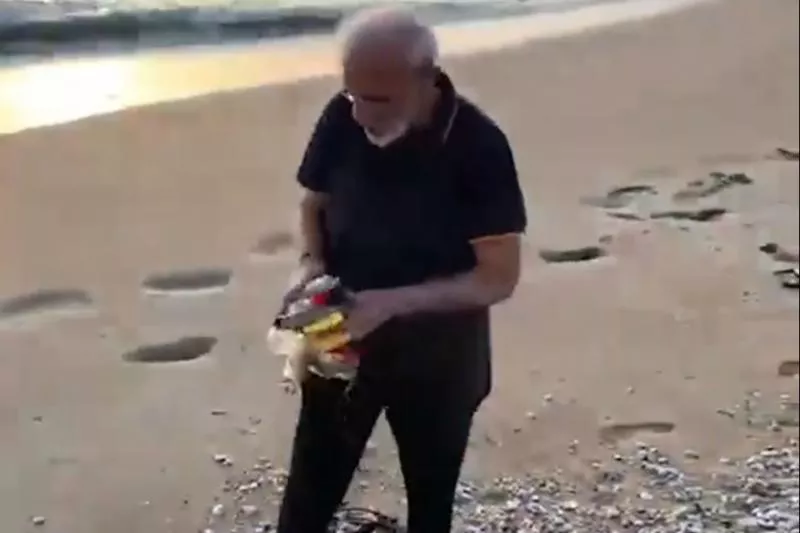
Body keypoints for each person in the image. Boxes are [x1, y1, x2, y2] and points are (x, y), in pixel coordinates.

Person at [276, 6, 527, 532]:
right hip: (337, 331)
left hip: (441, 356)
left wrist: (388, 303)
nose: (363, 114)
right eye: (354, 94)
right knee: (305, 505)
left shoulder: (479, 146)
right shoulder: (341, 115)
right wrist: (311, 264)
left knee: (430, 508)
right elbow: (312, 206)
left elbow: (498, 278)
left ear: (427, 78)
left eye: (381, 99)